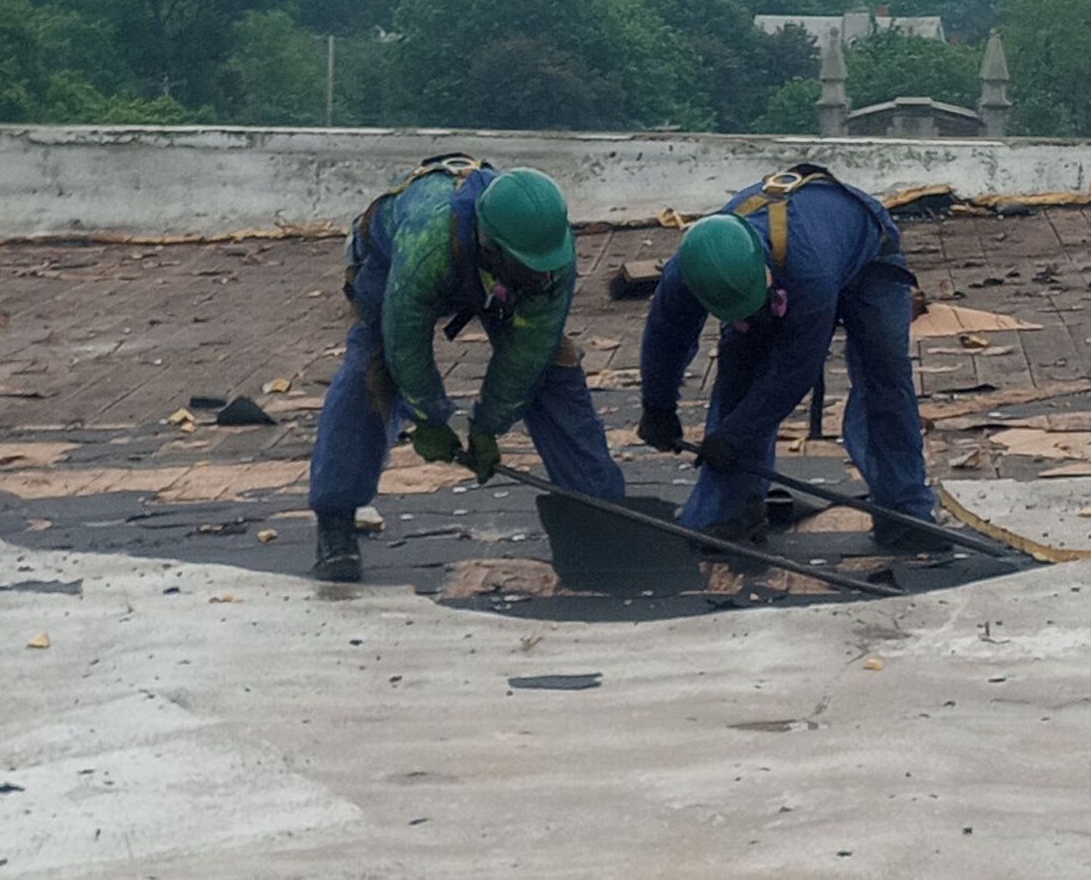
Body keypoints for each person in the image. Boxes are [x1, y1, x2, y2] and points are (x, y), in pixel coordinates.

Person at [307, 156, 625, 581]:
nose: (542, 282)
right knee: (370, 369)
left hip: (487, 274)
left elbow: (527, 354)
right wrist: (429, 416)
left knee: (552, 370)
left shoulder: (549, 257)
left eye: (547, 271)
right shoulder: (428, 245)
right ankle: (335, 520)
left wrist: (488, 424)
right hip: (392, 264)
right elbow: (407, 342)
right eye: (530, 272)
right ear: (491, 247)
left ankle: (600, 511)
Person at [637, 165, 938, 546]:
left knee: (885, 379)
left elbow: (795, 370)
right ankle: (728, 517)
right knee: (740, 376)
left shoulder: (808, 274)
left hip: (867, 253)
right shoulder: (688, 270)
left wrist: (732, 435)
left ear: (764, 273)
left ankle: (906, 515)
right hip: (799, 256)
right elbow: (667, 337)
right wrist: (657, 406)